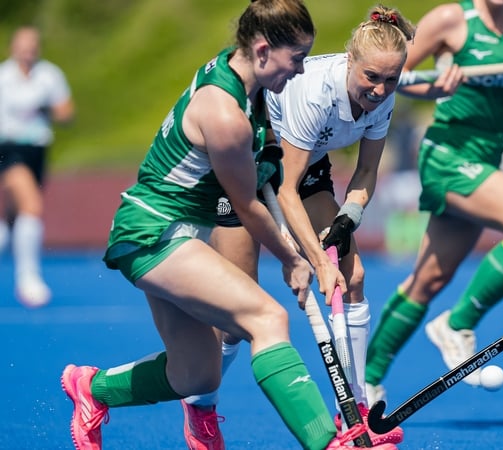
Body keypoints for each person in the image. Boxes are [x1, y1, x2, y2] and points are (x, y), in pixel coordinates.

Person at [59, 1, 396, 449]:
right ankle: (329, 442)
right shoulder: (225, 115)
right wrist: (296, 260)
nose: (299, 71)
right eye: (295, 59)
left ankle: (92, 389)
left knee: (195, 373)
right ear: (261, 51)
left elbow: (262, 172)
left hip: (179, 229)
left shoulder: (242, 81)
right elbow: (246, 204)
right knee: (267, 316)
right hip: (155, 233)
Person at [179, 5, 415, 448]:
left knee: (355, 276)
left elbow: (365, 174)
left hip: (300, 163)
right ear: (350, 61)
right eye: (371, 78)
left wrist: (349, 218)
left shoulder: (383, 97)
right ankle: (200, 404)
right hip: (246, 161)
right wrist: (314, 263)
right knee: (235, 316)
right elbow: (285, 194)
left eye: (391, 80)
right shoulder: (315, 94)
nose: (381, 90)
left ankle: (357, 410)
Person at [363, 0, 503, 400]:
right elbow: (393, 76)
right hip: (447, 155)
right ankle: (459, 323)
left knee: (427, 281)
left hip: (486, 157)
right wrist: (435, 87)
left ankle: (366, 382)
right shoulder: (452, 19)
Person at [0, 25, 74, 308]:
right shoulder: (3, 77)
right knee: (31, 205)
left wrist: (49, 108)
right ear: (13, 46)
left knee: (13, 214)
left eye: (33, 44)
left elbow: (66, 112)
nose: (28, 50)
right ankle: (28, 278)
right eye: (23, 44)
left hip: (37, 149)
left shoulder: (49, 75)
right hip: (8, 149)